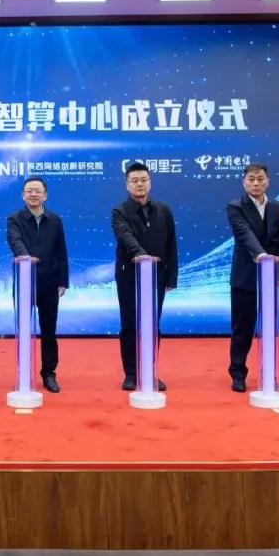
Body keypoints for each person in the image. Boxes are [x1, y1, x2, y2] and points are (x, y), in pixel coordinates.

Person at [111, 162, 177, 391]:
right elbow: (125, 236)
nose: (139, 184)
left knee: (152, 325)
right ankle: (131, 373)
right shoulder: (119, 211)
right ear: (127, 184)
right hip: (128, 275)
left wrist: (171, 276)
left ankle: (150, 371)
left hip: (156, 276)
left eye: (143, 180)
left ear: (150, 182)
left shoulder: (163, 209)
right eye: (134, 180)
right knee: (129, 324)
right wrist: (141, 255)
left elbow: (171, 244)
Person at [226, 162, 279, 393]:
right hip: (245, 275)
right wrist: (261, 255)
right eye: (251, 179)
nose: (256, 183)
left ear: (268, 181)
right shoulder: (235, 206)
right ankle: (238, 374)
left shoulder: (277, 206)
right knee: (242, 329)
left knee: (271, 328)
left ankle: (269, 373)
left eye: (260, 179)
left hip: (272, 276)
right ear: (244, 182)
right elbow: (244, 234)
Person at [6, 176, 70, 393]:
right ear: (23, 195)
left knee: (49, 331)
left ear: (45, 195)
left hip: (49, 282)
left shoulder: (55, 219)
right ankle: (24, 372)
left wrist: (63, 280)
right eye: (29, 191)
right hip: (24, 282)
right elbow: (14, 240)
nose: (33, 194)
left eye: (37, 190)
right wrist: (25, 257)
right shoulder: (14, 218)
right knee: (23, 330)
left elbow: (61, 252)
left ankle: (49, 373)